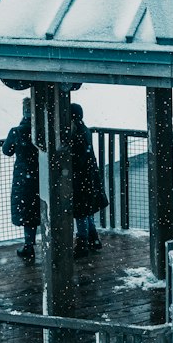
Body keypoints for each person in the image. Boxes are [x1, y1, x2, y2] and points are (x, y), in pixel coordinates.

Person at [2, 99, 40, 261]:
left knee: (28, 212)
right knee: (42, 208)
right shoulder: (41, 129)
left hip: (23, 178)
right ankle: (52, 241)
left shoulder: (17, 131)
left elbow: (7, 151)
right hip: (42, 176)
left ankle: (29, 245)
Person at [70, 103, 108, 257]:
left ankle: (82, 243)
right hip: (90, 177)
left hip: (80, 180)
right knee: (87, 209)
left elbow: (77, 160)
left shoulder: (75, 134)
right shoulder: (85, 130)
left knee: (80, 211)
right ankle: (94, 239)